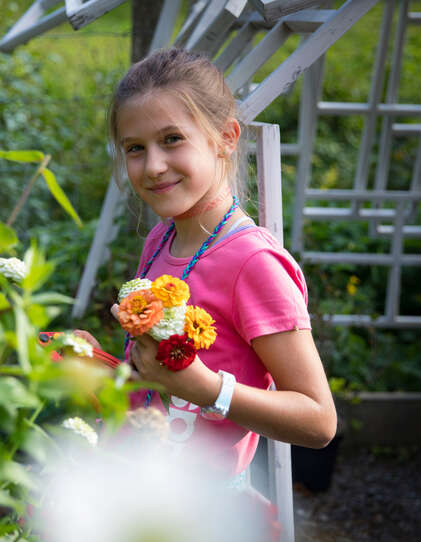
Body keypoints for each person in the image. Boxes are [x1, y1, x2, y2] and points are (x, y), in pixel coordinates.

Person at [77, 47, 337, 481]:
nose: (153, 166)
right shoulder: (161, 240)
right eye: (135, 148)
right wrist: (101, 368)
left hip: (200, 509)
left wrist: (207, 389)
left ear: (226, 138)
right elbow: (159, 389)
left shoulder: (253, 263)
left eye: (172, 139)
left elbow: (318, 421)